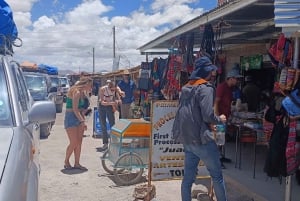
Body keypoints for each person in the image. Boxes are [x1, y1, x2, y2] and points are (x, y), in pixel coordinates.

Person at [172, 56, 227, 201]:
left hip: (188, 141)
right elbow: (208, 115)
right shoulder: (206, 88)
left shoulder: (186, 88)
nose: (213, 74)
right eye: (212, 72)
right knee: (217, 176)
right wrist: (219, 119)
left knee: (188, 179)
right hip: (202, 141)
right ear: (207, 72)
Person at [214, 68, 243, 168]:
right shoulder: (222, 87)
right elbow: (216, 103)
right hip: (220, 118)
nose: (238, 81)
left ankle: (220, 156)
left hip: (225, 117)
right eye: (237, 79)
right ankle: (216, 160)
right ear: (231, 78)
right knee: (219, 139)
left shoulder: (230, 89)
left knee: (222, 139)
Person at [64, 77, 93, 170]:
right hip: (72, 117)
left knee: (79, 142)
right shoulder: (76, 92)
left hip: (79, 116)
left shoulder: (82, 93)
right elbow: (75, 109)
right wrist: (82, 121)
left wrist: (85, 111)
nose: (91, 87)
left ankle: (77, 163)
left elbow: (80, 108)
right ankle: (66, 161)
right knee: (74, 142)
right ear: (85, 84)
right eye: (90, 85)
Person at [98, 80, 123, 150]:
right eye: (111, 90)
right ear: (109, 87)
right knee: (103, 124)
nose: (112, 91)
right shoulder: (103, 89)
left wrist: (120, 98)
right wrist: (112, 103)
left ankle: (114, 141)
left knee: (112, 123)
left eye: (114, 90)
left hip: (110, 105)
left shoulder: (116, 89)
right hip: (103, 106)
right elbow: (102, 102)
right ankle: (105, 143)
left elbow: (120, 93)